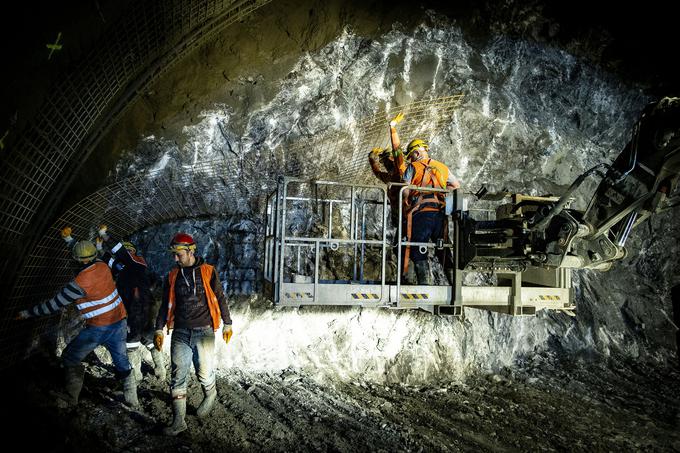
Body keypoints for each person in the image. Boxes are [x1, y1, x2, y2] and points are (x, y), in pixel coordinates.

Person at [15, 227, 139, 407]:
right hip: (119, 321)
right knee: (122, 363)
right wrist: (69, 239)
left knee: (70, 358)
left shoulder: (79, 284)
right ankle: (132, 400)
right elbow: (86, 253)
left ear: (77, 260)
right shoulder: (103, 266)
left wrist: (27, 313)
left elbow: (53, 305)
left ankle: (70, 397)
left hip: (98, 328)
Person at [154, 232, 233, 436]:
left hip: (204, 331)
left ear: (190, 251)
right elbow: (165, 304)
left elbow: (220, 297)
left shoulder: (208, 271)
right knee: (177, 376)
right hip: (180, 331)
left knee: (203, 373)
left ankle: (210, 392)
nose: (175, 258)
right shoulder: (172, 275)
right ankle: (178, 422)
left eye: (178, 254)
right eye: (174, 255)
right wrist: (159, 328)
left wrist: (227, 323)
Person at [97, 225, 165, 381]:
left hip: (138, 307)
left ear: (131, 253)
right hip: (137, 306)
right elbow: (110, 261)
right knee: (147, 337)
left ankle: (139, 375)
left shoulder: (136, 261)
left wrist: (105, 235)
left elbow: (117, 250)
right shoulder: (124, 267)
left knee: (133, 341)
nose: (124, 254)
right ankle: (158, 370)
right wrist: (99, 247)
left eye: (126, 252)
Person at [401, 137, 460, 285]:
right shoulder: (442, 167)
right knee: (443, 249)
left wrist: (406, 205)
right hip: (440, 214)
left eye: (410, 156)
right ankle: (455, 284)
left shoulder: (413, 167)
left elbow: (405, 191)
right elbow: (455, 185)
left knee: (417, 248)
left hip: (421, 214)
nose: (410, 159)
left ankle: (425, 286)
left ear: (415, 152)